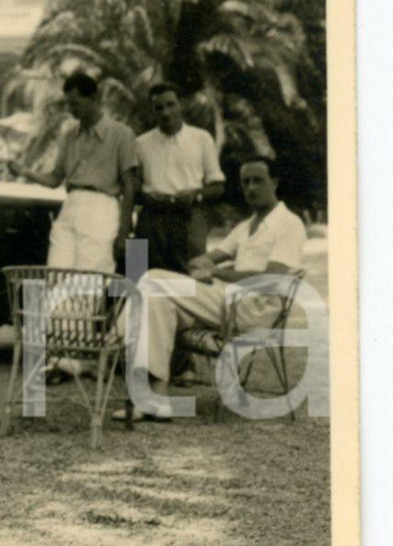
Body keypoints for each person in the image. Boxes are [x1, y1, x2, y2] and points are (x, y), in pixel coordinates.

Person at [115, 154, 306, 422]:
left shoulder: (289, 224)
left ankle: (115, 335)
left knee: (152, 278)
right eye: (246, 182)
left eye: (258, 181)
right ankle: (156, 400)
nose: (251, 188)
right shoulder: (246, 226)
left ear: (274, 182)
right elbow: (206, 259)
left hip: (256, 311)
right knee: (158, 301)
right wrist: (202, 265)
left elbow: (269, 280)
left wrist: (216, 272)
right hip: (229, 303)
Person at [19, 70, 139, 273]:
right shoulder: (68, 136)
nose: (71, 109)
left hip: (102, 209)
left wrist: (124, 231)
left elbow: (129, 187)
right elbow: (55, 179)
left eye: (75, 103)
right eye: (68, 104)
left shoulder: (121, 134)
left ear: (93, 98)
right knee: (56, 276)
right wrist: (24, 171)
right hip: (70, 207)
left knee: (89, 282)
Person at [134, 83, 225, 274]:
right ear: (152, 111)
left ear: (180, 105)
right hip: (151, 218)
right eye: (159, 108)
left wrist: (196, 195)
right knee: (137, 274)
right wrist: (146, 197)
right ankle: (139, 304)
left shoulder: (201, 138)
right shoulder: (140, 143)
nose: (166, 112)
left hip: (188, 215)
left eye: (170, 105)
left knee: (190, 276)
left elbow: (218, 186)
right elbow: (133, 189)